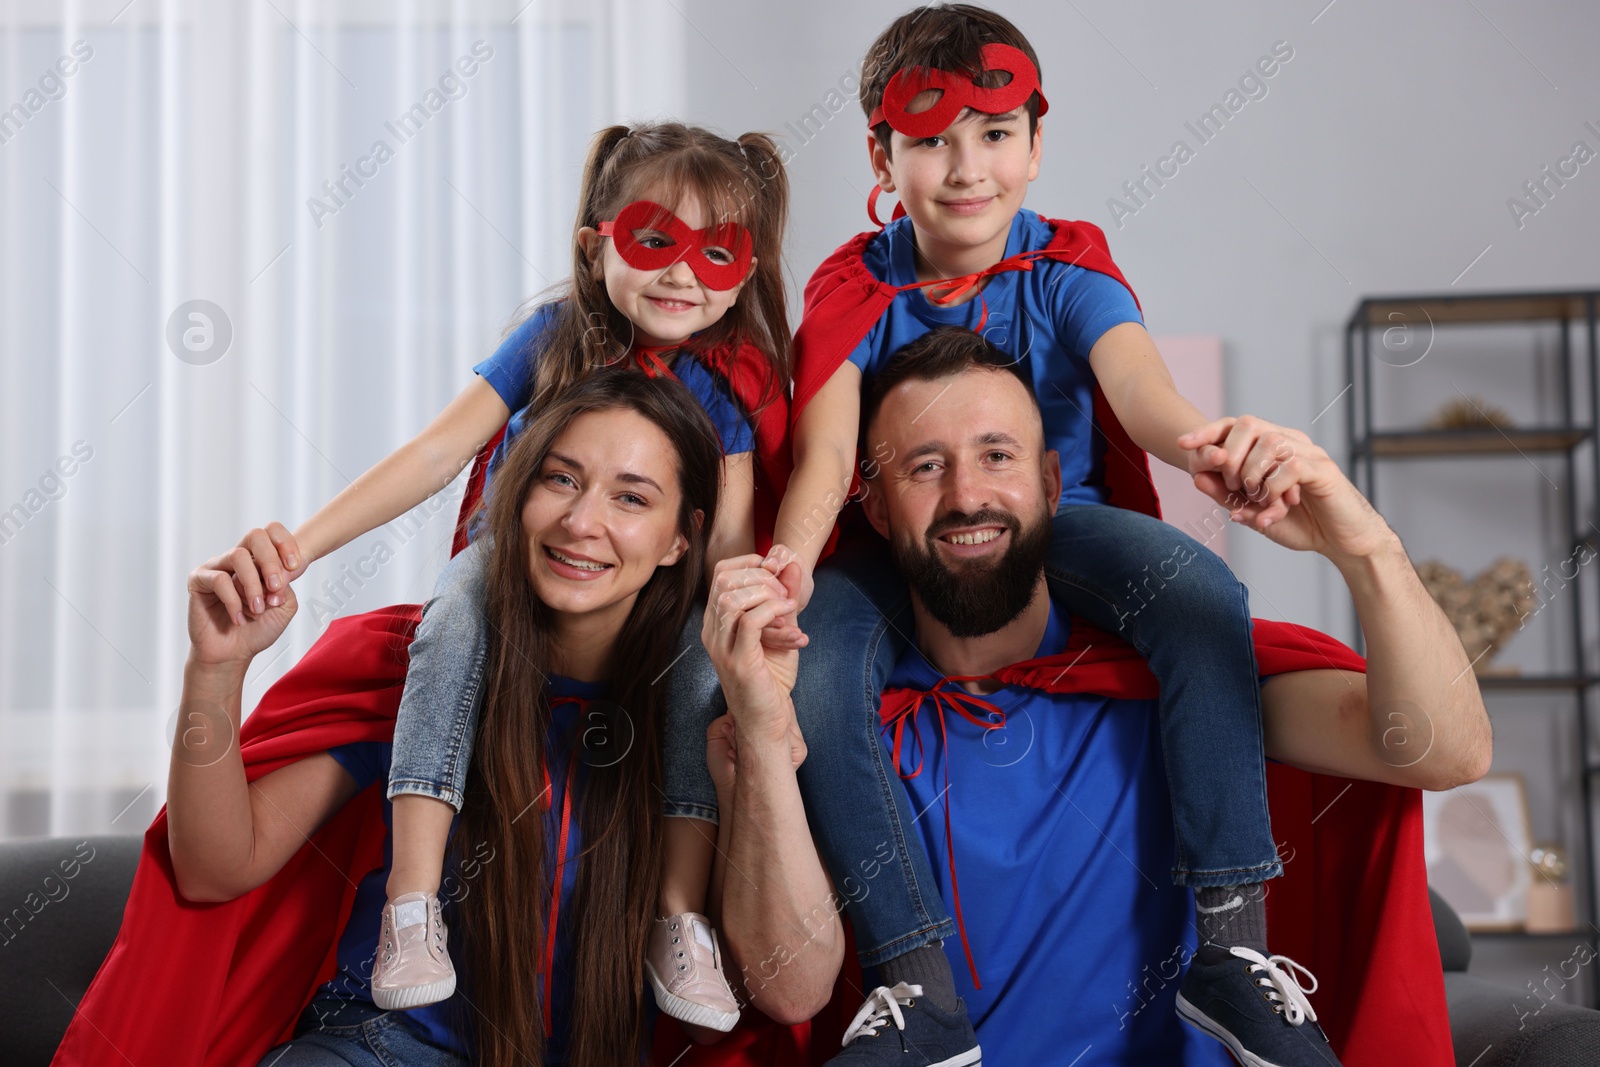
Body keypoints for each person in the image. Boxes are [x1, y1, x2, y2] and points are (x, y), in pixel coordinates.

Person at [764, 6, 1327, 1063]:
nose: (965, 167)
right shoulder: (856, 285)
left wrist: (1208, 445)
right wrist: (791, 564)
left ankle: (1229, 948)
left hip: (1053, 521)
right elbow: (828, 457)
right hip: (898, 534)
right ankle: (916, 984)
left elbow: (1140, 389)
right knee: (817, 669)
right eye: (929, 141)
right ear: (882, 155)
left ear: (1035, 141)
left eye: (993, 133)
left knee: (1202, 593)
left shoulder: (1065, 266)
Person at [708, 329, 1491, 1066]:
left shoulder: (1183, 691)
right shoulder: (842, 721)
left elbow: (1448, 751)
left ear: (1051, 483)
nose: (967, 494)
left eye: (996, 454)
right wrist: (762, 730)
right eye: (924, 466)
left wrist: (1366, 550)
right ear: (875, 508)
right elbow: (790, 987)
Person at [223, 121, 791, 1030]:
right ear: (595, 243)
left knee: (701, 667)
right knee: (448, 622)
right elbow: (440, 448)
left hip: (644, 606)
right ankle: (412, 906)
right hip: (505, 569)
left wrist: (741, 632)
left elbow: (725, 537)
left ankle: (679, 917)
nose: (684, 272)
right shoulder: (555, 336)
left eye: (717, 252)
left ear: (745, 269)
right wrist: (304, 542)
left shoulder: (729, 386)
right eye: (657, 240)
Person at [164, 371, 735, 1065]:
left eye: (631, 497)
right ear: (515, 494)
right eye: (559, 480)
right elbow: (213, 869)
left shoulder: (704, 721)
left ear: (683, 538)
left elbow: (737, 1013)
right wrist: (216, 670)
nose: (582, 522)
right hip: (384, 1047)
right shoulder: (421, 674)